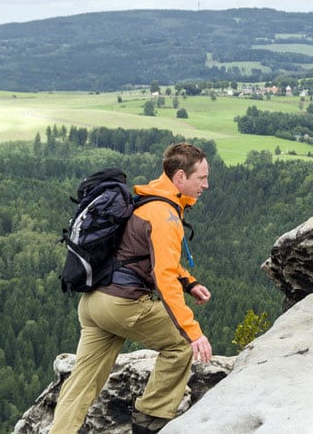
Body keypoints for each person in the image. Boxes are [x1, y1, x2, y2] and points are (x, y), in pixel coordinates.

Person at [51, 142, 213, 434]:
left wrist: (190, 283)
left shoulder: (147, 200)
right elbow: (163, 277)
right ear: (180, 177)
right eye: (201, 178)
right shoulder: (165, 216)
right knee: (179, 346)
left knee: (82, 381)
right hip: (122, 305)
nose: (206, 184)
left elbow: (144, 256)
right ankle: (149, 419)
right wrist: (193, 332)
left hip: (93, 304)